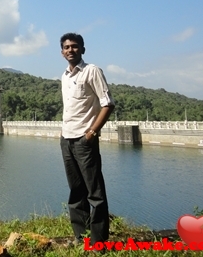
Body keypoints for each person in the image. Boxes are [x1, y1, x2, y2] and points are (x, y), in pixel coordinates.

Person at [59, 32, 115, 246]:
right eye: (66, 47)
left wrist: (91, 133)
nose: (70, 50)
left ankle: (98, 241)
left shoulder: (92, 71)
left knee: (95, 193)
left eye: (74, 46)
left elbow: (107, 103)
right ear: (62, 52)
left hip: (84, 140)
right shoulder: (65, 76)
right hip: (67, 139)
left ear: (83, 49)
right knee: (76, 190)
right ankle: (80, 236)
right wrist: (63, 133)